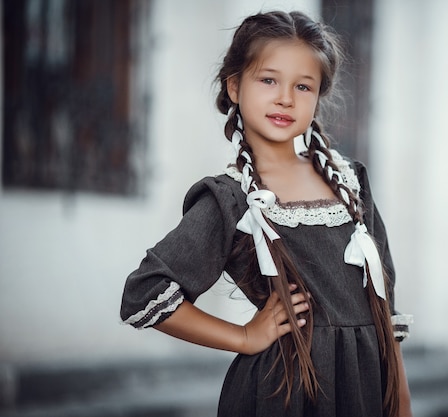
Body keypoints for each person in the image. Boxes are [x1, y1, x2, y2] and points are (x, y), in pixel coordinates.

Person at [120, 10, 413, 417]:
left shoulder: (351, 183)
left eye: (303, 86)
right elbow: (144, 293)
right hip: (282, 396)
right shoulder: (233, 199)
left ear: (318, 96)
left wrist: (400, 403)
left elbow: (385, 309)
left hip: (363, 393)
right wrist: (243, 336)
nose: (286, 98)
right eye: (268, 79)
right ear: (236, 86)